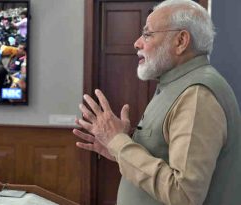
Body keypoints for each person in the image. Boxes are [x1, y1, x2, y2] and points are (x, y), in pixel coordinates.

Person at [73, 0, 241, 205]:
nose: (137, 43)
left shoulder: (197, 95)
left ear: (180, 41)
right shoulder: (175, 83)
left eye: (147, 34)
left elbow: (184, 194)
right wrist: (118, 147)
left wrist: (118, 142)